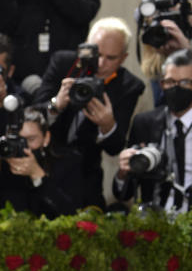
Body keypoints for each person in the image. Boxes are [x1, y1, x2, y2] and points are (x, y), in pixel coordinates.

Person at [33, 17, 146, 208]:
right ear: (85, 47)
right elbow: (32, 115)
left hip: (85, 176)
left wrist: (108, 126)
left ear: (124, 58)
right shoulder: (64, 64)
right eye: (97, 54)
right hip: (43, 166)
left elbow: (115, 147)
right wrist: (56, 105)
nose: (101, 63)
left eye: (111, 58)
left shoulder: (129, 86)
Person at [114, 48, 192, 212]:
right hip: (154, 224)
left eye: (185, 82)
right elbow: (123, 193)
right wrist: (123, 172)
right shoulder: (145, 123)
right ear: (161, 84)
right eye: (170, 82)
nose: (176, 88)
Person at [0, 107, 85, 217]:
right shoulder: (3, 164)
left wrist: (38, 176)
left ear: (46, 138)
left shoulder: (68, 162)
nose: (24, 146)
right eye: (17, 140)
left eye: (30, 139)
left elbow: (71, 214)